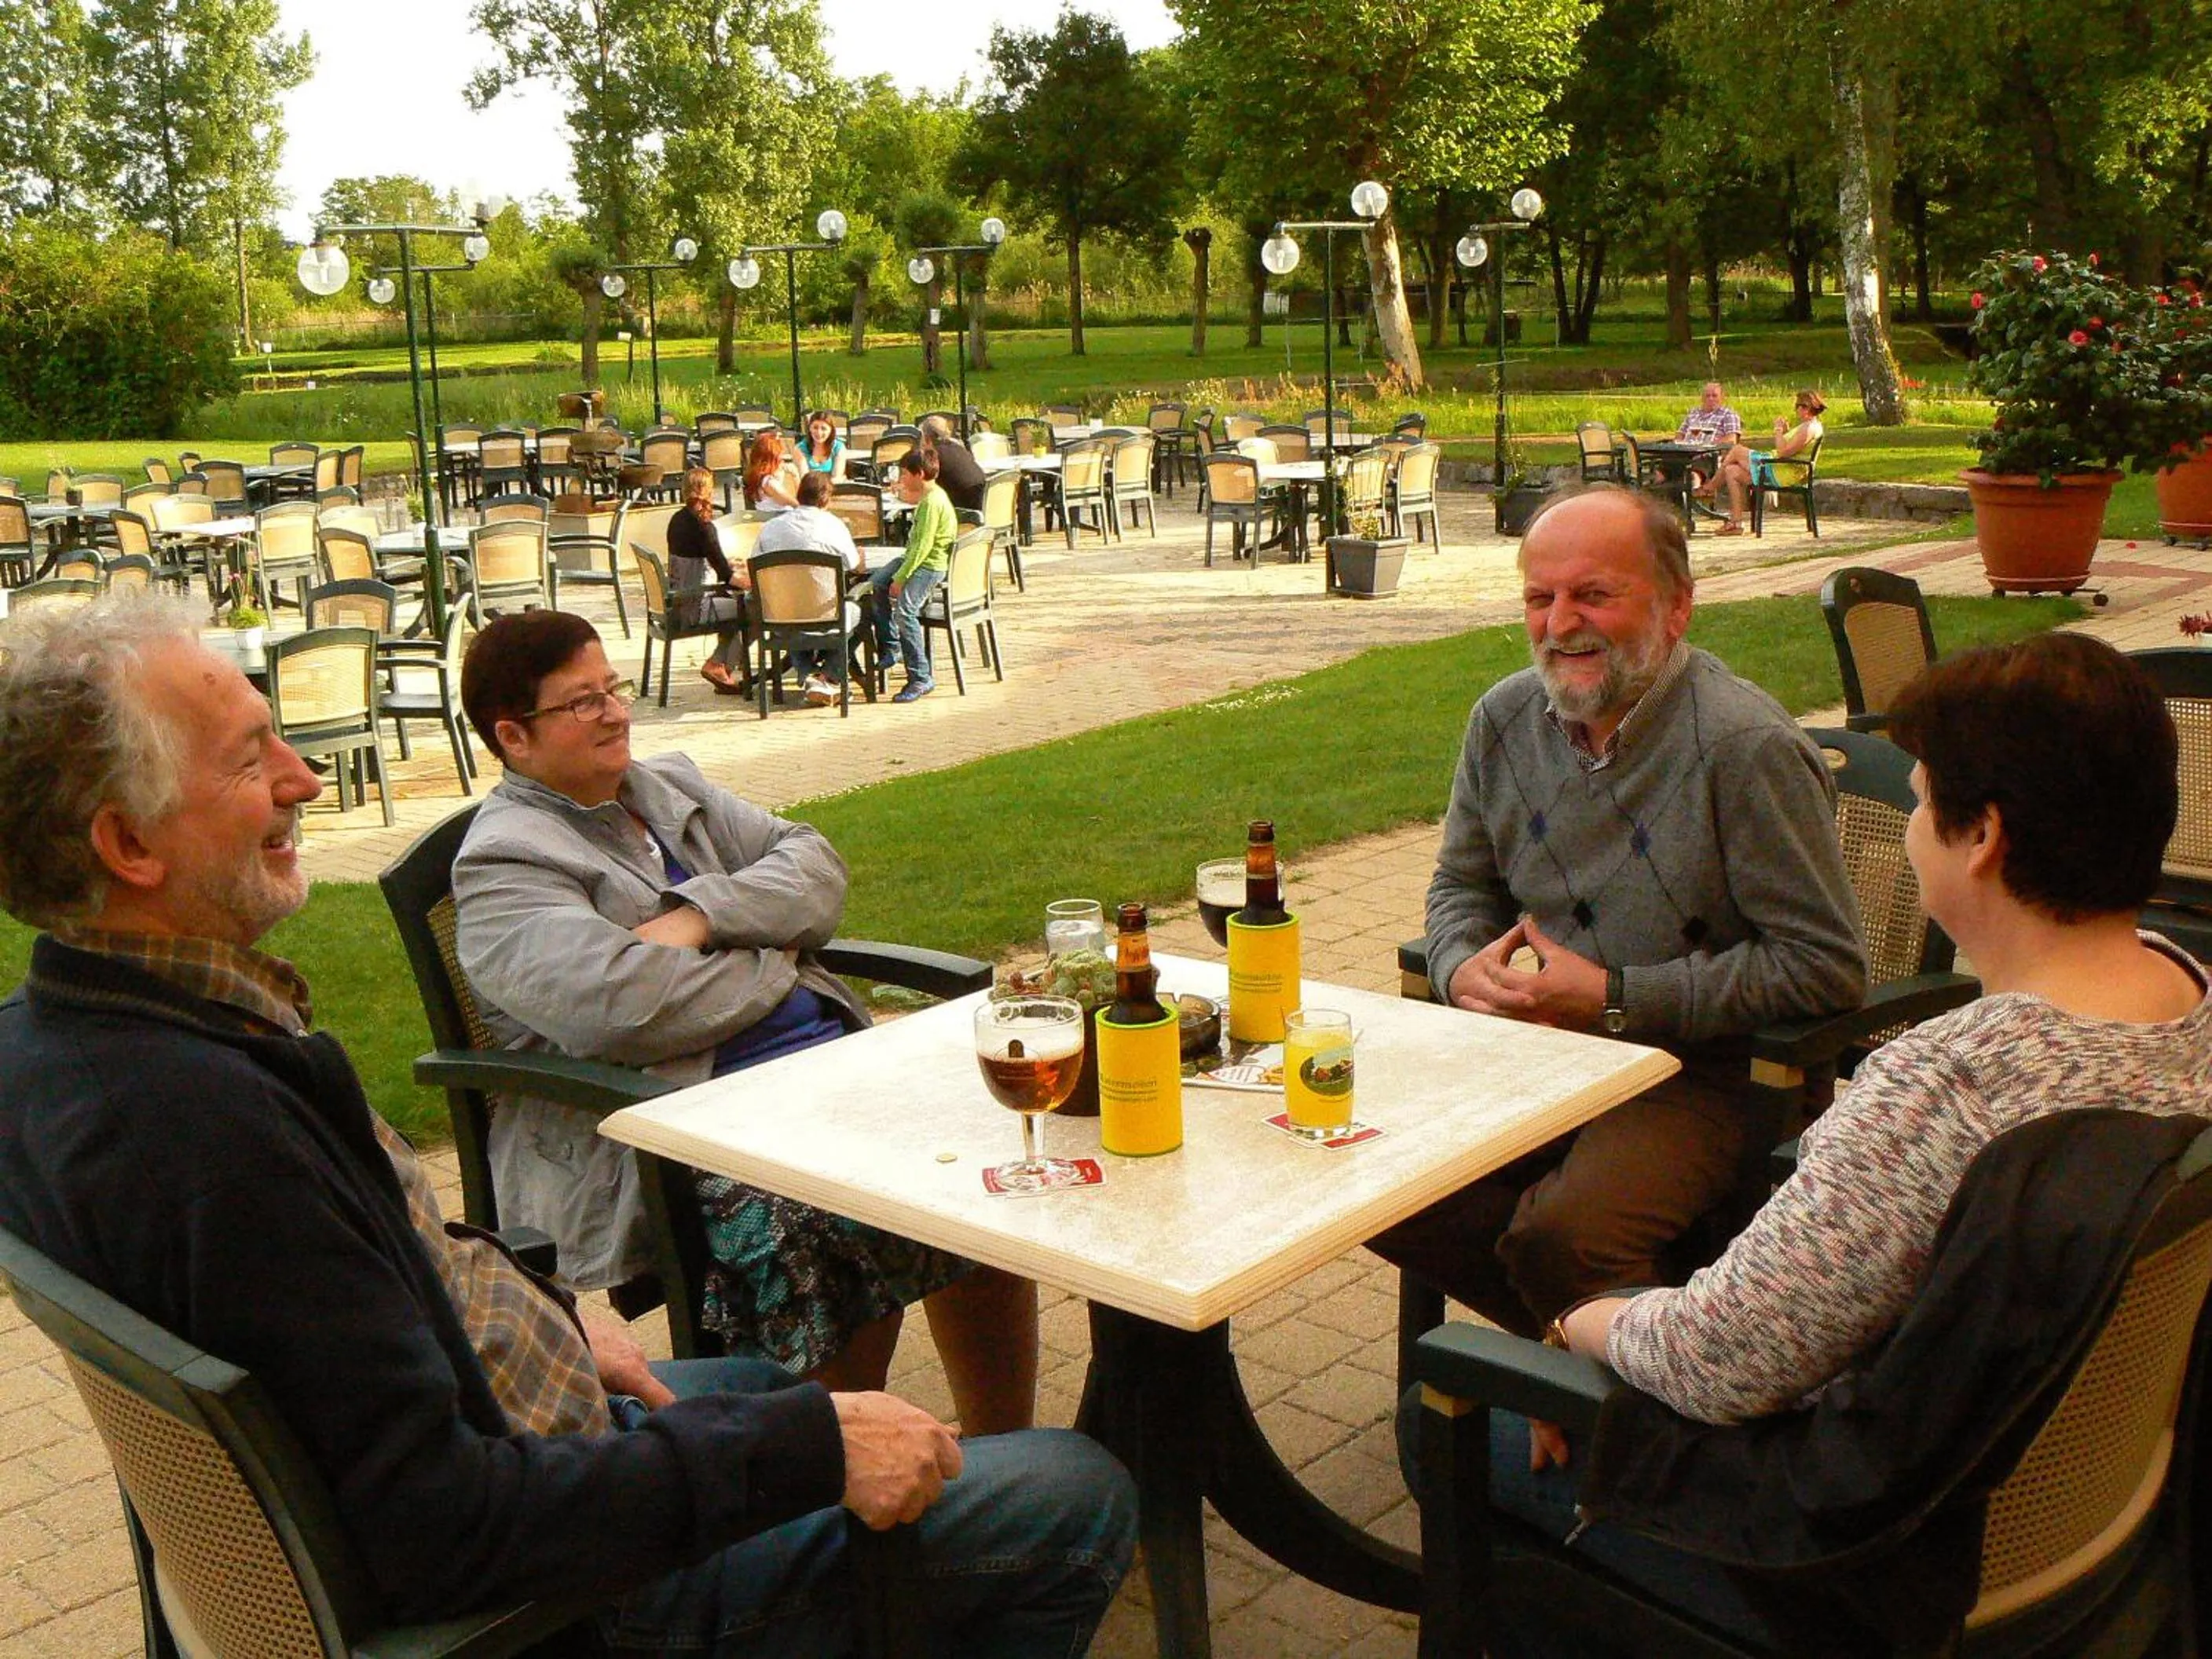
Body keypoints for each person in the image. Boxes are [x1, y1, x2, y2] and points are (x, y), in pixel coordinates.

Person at [0, 594, 1136, 1657]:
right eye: (251, 758)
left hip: (511, 1420)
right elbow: (443, 1527)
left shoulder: (71, 1043)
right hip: (553, 1593)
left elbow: (355, 1308)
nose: (304, 779)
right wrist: (812, 1454)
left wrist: (527, 1305)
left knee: (762, 1391)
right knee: (1077, 1490)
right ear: (130, 847)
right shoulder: (212, 1134)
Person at [1436, 631, 2211, 1654]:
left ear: (1981, 840)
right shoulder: (2189, 998)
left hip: (1864, 1570)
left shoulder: (1950, 1086)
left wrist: (1575, 1323)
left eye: (1925, 799)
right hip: (2072, 1519)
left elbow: (1716, 1365)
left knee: (1455, 1413)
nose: (1913, 834)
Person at [452, 610, 1039, 1432]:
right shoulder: (503, 865)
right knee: (824, 1219)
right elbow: (622, 1006)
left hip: (824, 1074)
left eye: (613, 689)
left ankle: (1002, 1445)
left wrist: (700, 917)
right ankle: (830, 1493)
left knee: (987, 1163)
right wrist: (779, 958)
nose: (617, 712)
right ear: (513, 737)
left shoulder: (669, 787)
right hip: (680, 1119)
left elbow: (816, 870)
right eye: (582, 703)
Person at [1368, 485, 1866, 1337]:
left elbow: (1824, 967)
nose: (1560, 624)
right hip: (1546, 1047)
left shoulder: (1743, 749)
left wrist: (1615, 996)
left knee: (1558, 1234)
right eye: (1539, 597)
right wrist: (1459, 969)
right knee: (1368, 1177)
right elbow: (1461, 887)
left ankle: (1615, 1374)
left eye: (1592, 594)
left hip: (1709, 1073)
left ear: (1676, 608)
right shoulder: (1502, 719)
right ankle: (1591, 1345)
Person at [755, 470, 866, 706]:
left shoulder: (771, 527)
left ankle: (810, 675)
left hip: (780, 617)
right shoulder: (833, 526)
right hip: (825, 615)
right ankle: (827, 675)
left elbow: (754, 565)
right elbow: (854, 564)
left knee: (793, 607)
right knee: (862, 611)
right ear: (826, 499)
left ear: (799, 493)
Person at [869, 449, 955, 705]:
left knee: (904, 612)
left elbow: (923, 548)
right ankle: (892, 645)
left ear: (919, 475)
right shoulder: (929, 495)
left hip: (929, 565)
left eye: (905, 474)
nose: (902, 477)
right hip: (913, 558)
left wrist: (902, 577)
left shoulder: (932, 503)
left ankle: (920, 676)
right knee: (876, 583)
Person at [666, 463, 752, 695]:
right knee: (752, 610)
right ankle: (719, 665)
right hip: (696, 606)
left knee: (735, 607)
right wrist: (755, 582)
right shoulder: (704, 527)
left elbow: (701, 558)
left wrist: (727, 565)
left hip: (677, 601)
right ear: (708, 492)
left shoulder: (677, 520)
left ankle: (723, 665)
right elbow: (727, 577)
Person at [1675, 381, 1748, 534]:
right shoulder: (1693, 413)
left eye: (1714, 395)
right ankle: (1671, 512)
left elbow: (1731, 440)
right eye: (1707, 396)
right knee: (1661, 471)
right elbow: (1680, 434)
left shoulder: (1728, 415)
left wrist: (1709, 443)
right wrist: (1681, 442)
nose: (1711, 399)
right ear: (1702, 397)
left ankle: (1695, 491)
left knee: (1692, 471)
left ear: (1722, 397)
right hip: (1683, 453)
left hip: (1708, 456)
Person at [921, 413, 987, 515]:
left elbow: (922, 488)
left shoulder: (933, 456)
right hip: (983, 505)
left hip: (963, 513)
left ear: (926, 438)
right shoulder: (959, 449)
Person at [743, 428, 800, 512]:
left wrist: (794, 475)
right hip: (776, 518)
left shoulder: (759, 474)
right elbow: (795, 504)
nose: (782, 457)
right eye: (780, 455)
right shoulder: (769, 483)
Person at [800, 411, 846, 477]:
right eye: (815, 428)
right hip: (809, 486)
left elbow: (837, 478)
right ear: (810, 428)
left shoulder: (839, 448)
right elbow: (804, 478)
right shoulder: (800, 449)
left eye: (823, 429)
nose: (819, 432)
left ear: (831, 430)